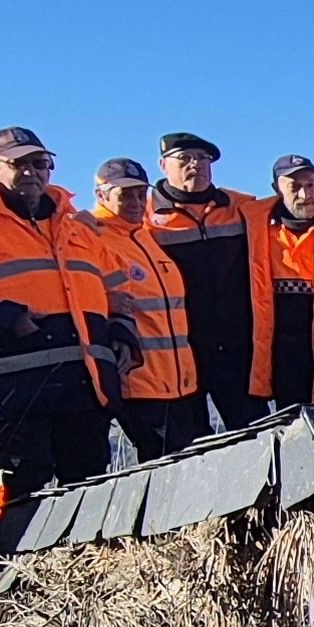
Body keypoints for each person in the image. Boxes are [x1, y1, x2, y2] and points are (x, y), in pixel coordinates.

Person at [0, 127, 136, 543]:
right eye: (19, 163)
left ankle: (88, 565)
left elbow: (117, 292)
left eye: (40, 162)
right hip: (17, 387)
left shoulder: (79, 228)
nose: (32, 172)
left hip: (86, 384)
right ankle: (19, 574)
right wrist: (1, 319)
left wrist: (123, 337)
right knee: (24, 488)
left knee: (91, 481)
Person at [90, 157, 208, 459]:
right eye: (124, 195)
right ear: (102, 196)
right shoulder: (93, 236)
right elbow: (82, 295)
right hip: (139, 384)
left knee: (185, 467)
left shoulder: (145, 236)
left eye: (140, 194)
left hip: (178, 383)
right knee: (161, 471)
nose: (134, 202)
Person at [142, 132, 259, 430]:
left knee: (254, 432)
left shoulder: (242, 207)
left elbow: (294, 206)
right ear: (162, 165)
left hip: (237, 346)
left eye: (203, 158)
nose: (196, 164)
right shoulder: (143, 216)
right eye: (184, 158)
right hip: (181, 348)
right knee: (190, 441)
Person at [246, 154, 314, 407]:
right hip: (284, 345)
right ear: (276, 189)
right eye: (294, 187)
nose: (304, 195)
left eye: (310, 185)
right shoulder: (257, 227)